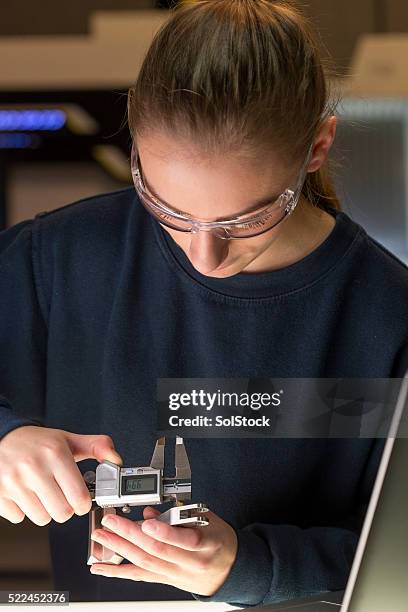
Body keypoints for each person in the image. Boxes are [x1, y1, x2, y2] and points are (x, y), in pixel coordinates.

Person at [0, 0, 407, 607]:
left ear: (318, 147)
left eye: (248, 219)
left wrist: (249, 567)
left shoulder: (388, 317)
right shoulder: (51, 260)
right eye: (168, 210)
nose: (203, 257)